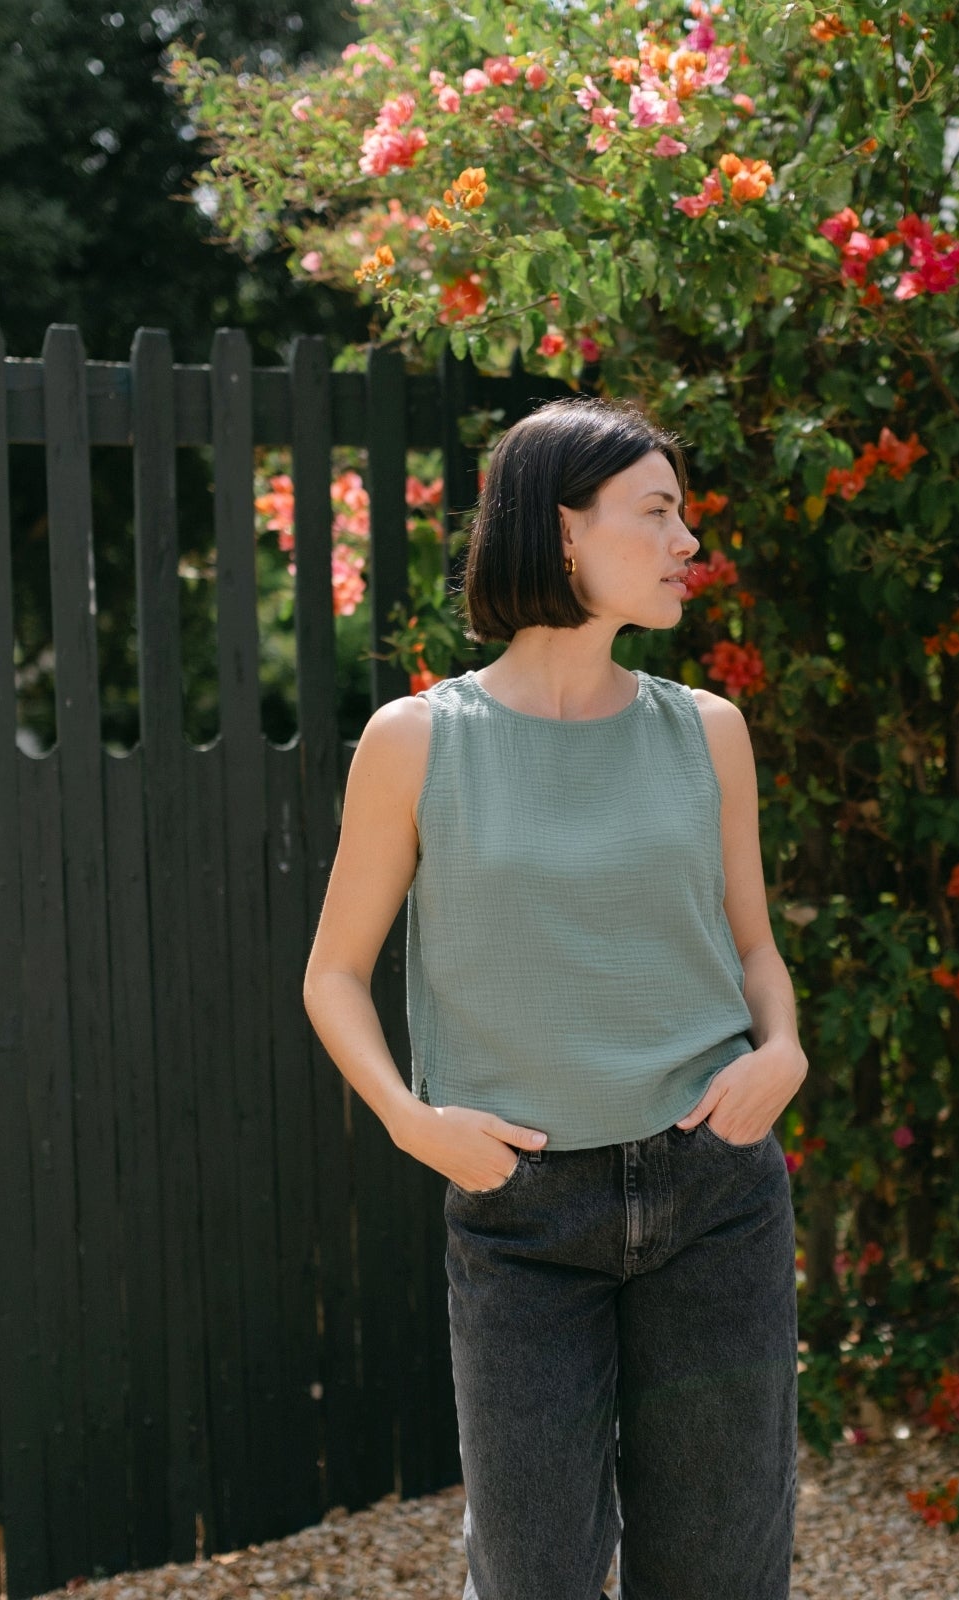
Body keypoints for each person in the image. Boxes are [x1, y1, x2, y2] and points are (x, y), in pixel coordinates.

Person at [303, 396, 808, 1599]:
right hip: (521, 1212)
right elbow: (332, 973)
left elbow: (752, 945)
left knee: (722, 1572)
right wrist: (411, 1121)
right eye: (658, 512)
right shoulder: (418, 739)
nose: (688, 540)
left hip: (716, 1193)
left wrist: (783, 1046)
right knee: (532, 1574)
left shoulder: (708, 731)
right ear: (564, 529)